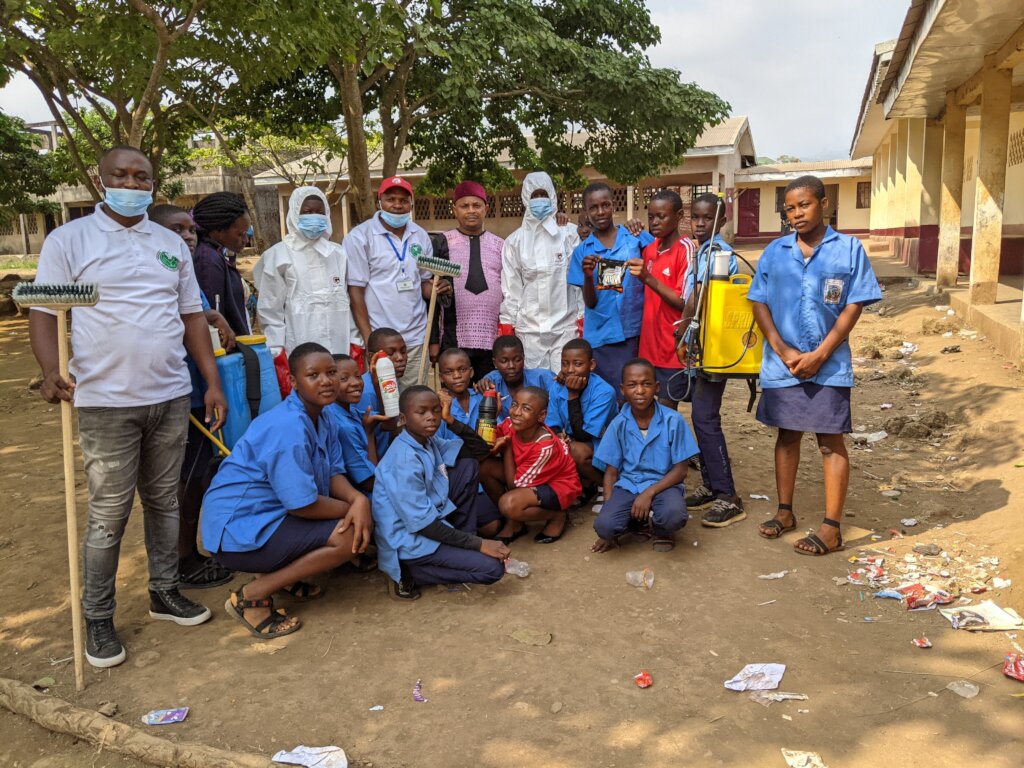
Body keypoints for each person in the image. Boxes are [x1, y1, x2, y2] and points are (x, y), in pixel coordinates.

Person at [28, 145, 226, 668]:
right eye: (122, 175)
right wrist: (51, 371)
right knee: (108, 513)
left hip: (169, 393)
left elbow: (191, 316)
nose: (132, 184)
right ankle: (98, 617)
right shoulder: (68, 240)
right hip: (104, 400)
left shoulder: (170, 244)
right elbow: (45, 310)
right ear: (101, 180)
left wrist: (211, 381)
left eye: (142, 177)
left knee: (164, 500)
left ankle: (164, 591)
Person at [748, 175, 882, 556]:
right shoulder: (775, 252)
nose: (796, 214)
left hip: (829, 364)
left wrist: (822, 353)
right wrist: (781, 348)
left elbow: (854, 304)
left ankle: (831, 527)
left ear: (824, 204)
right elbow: (758, 299)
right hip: (783, 365)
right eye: (789, 208)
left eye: (803, 205)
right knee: (787, 436)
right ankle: (785, 512)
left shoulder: (850, 250)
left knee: (829, 441)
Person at [203, 343, 373, 638]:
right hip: (237, 529)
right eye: (313, 375)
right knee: (347, 538)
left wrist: (357, 499)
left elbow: (333, 471)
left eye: (331, 372)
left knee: (357, 515)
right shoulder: (289, 427)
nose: (326, 381)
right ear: (293, 382)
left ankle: (281, 575)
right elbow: (302, 506)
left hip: (267, 516)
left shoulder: (324, 414)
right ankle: (254, 596)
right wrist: (355, 509)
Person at [150, 203, 235, 589]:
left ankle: (190, 554)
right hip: (174, 391)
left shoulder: (184, 273)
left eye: (190, 230)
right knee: (180, 481)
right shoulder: (155, 274)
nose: (186, 237)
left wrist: (213, 317)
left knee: (198, 475)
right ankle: (180, 562)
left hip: (200, 390)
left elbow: (197, 318)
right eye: (177, 230)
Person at [372, 386, 509, 600]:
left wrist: (451, 420)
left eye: (436, 411)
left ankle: (462, 539)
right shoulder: (404, 459)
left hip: (431, 522)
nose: (431, 417)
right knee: (492, 569)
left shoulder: (428, 441)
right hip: (411, 540)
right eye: (422, 412)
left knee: (468, 465)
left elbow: (479, 451)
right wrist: (480, 544)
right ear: (403, 418)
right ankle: (410, 572)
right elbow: (423, 525)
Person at [676, 193, 746, 528]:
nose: (700, 224)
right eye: (696, 217)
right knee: (701, 417)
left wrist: (681, 336)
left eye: (707, 218)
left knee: (705, 419)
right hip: (706, 346)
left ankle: (728, 496)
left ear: (722, 220)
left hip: (713, 348)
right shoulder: (703, 250)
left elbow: (697, 299)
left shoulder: (718, 252)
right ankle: (710, 485)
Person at [591, 359, 698, 553]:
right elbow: (611, 472)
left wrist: (648, 493)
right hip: (629, 485)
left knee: (672, 514)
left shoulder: (673, 420)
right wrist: (609, 509)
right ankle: (636, 521)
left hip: (664, 485)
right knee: (605, 526)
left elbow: (681, 471)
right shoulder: (618, 423)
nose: (640, 391)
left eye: (646, 384)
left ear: (657, 387)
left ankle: (662, 530)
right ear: (622, 390)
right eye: (632, 385)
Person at [345, 176, 438, 389]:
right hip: (381, 341)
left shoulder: (420, 236)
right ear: (380, 202)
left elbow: (423, 283)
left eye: (404, 200)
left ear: (411, 203)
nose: (397, 205)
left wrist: (435, 288)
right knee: (384, 402)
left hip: (415, 339)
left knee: (415, 400)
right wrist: (370, 340)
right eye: (391, 199)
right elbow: (356, 293)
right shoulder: (360, 237)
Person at [569, 182, 655, 392]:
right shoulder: (582, 252)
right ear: (586, 211)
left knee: (636, 393)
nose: (600, 212)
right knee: (609, 395)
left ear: (613, 205)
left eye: (605, 205)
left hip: (635, 331)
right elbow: (590, 302)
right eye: (593, 207)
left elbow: (657, 269)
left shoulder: (635, 238)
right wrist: (589, 276)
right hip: (602, 336)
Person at [498, 172, 582, 373]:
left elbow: (579, 283)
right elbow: (511, 290)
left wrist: (582, 318)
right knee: (535, 389)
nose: (539, 200)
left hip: (566, 327)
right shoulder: (514, 242)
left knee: (566, 383)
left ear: (552, 196)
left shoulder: (569, 234)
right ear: (526, 198)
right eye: (534, 196)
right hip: (530, 331)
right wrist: (507, 327)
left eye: (543, 194)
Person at [254, 186, 352, 355]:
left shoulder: (338, 254)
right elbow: (271, 310)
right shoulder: (278, 255)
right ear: (294, 213)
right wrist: (276, 348)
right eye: (307, 212)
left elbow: (349, 300)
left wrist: (355, 339)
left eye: (320, 212)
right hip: (298, 345)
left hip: (339, 346)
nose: (314, 216)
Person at [626, 190, 694, 407]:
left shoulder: (686, 249)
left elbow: (686, 302)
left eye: (661, 216)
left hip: (672, 350)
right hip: (648, 349)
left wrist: (648, 277)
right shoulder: (649, 249)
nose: (654, 222)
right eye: (651, 216)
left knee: (667, 412)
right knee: (648, 412)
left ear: (679, 215)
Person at [490, 387, 581, 545]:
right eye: (514, 405)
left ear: (541, 416)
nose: (517, 412)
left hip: (559, 486)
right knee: (485, 468)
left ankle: (556, 515)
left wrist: (507, 447)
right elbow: (486, 442)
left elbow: (515, 484)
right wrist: (492, 416)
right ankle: (516, 522)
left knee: (508, 504)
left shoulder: (544, 446)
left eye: (526, 408)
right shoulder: (512, 424)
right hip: (532, 475)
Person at [438, 181, 504, 380]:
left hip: (492, 336)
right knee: (456, 397)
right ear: (454, 210)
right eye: (464, 206)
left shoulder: (501, 245)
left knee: (488, 397)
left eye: (477, 205)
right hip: (454, 335)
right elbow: (432, 290)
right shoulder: (442, 242)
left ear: (486, 209)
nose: (471, 211)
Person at [545, 339, 617, 493]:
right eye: (565, 364)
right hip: (573, 439)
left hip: (602, 446)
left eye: (577, 364)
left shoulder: (604, 392)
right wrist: (558, 435)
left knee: (575, 451)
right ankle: (580, 486)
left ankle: (605, 486)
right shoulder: (557, 387)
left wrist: (573, 395)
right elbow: (552, 423)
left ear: (591, 365)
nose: (570, 370)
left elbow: (584, 435)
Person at [191, 191, 253, 336]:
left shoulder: (218, 255)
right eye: (241, 234)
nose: (245, 240)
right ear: (219, 229)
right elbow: (213, 314)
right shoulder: (208, 260)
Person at [324, 354, 383, 495]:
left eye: (358, 376)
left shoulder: (350, 410)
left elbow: (393, 423)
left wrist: (377, 385)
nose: (356, 383)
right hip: (362, 495)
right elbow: (371, 483)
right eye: (344, 379)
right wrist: (369, 434)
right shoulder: (343, 427)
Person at [477, 335, 555, 421]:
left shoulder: (543, 378)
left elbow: (556, 410)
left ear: (524, 358)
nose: (511, 366)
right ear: (495, 363)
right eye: (504, 361)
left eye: (517, 360)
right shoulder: (491, 383)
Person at [357, 327, 409, 456]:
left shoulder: (390, 379)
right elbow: (374, 437)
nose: (400, 358)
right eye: (390, 354)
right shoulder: (366, 393)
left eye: (403, 351)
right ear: (370, 357)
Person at [437, 347, 483, 426]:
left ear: (471, 372)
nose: (457, 376)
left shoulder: (482, 398)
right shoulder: (440, 405)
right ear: (441, 378)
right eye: (448, 372)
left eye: (462, 370)